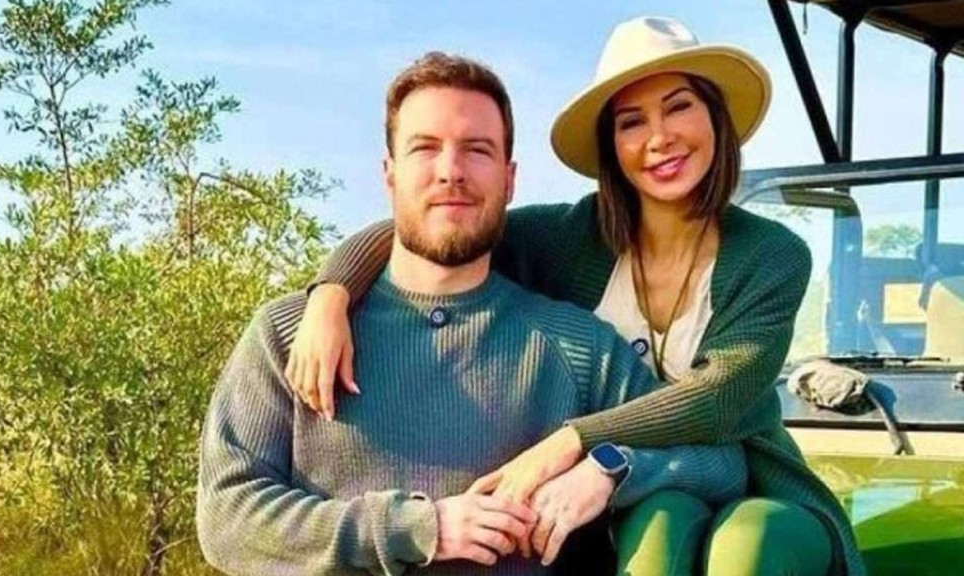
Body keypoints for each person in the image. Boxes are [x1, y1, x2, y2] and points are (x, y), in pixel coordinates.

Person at [285, 17, 864, 576]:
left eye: (679, 107)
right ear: (612, 145)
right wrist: (332, 292)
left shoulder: (774, 254)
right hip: (634, 492)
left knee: (748, 543)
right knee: (660, 524)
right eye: (631, 121)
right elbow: (439, 224)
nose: (659, 137)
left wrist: (573, 440)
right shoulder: (569, 238)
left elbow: (714, 400)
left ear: (715, 116)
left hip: (752, 479)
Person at [197, 51, 745, 576]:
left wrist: (611, 470)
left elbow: (721, 464)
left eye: (477, 150)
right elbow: (226, 519)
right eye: (425, 148)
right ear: (389, 174)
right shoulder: (290, 333)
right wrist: (419, 528)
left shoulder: (576, 348)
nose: (451, 171)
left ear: (510, 179)